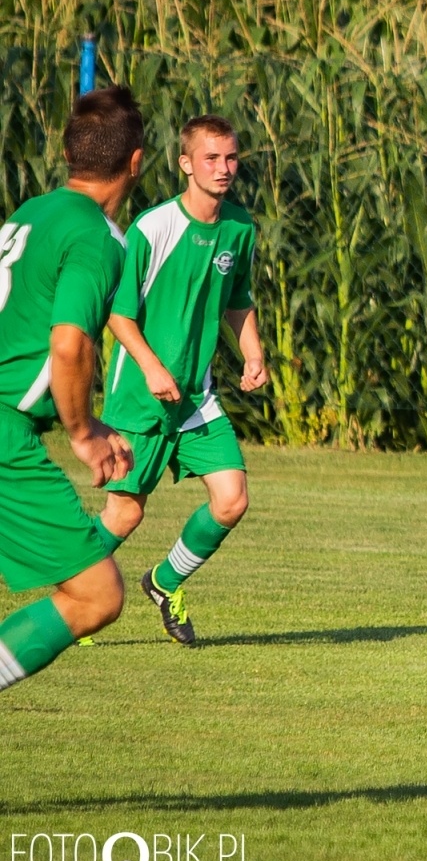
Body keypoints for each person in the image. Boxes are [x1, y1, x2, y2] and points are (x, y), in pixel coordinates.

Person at [96, 115, 265, 646]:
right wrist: (151, 366)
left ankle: (164, 582)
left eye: (231, 157)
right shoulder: (153, 227)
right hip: (140, 397)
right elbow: (119, 316)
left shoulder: (239, 227)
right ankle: (74, 597)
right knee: (125, 514)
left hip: (196, 396)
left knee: (231, 498)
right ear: (185, 163)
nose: (223, 168)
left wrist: (252, 351)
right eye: (211, 158)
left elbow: (237, 299)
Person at [0, 87, 144, 691]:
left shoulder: (29, 212)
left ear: (68, 153)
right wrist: (84, 431)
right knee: (95, 594)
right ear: (136, 162)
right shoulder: (98, 236)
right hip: (4, 427)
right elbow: (69, 343)